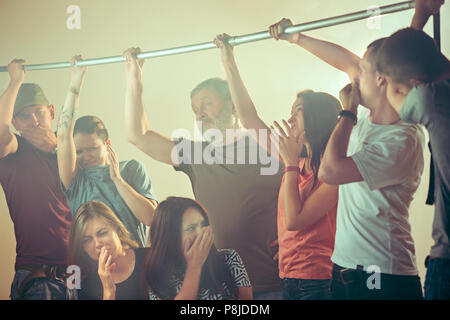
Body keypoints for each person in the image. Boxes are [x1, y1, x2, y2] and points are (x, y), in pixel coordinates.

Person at [268, 18, 425, 299]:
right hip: (344, 271)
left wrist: (347, 113)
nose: (353, 74)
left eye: (362, 69)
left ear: (381, 79)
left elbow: (331, 171)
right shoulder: (370, 110)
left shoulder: (400, 140)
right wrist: (297, 38)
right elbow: (348, 61)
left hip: (382, 277)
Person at [123, 48, 283, 299]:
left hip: (275, 285)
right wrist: (135, 76)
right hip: (222, 288)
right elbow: (138, 136)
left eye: (207, 103)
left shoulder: (266, 146)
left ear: (231, 105)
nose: (199, 114)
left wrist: (228, 61)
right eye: (194, 108)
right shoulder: (195, 154)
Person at [214, 34, 340, 300]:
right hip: (287, 277)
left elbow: (294, 221)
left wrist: (291, 164)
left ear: (317, 118)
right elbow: (249, 118)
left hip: (317, 282)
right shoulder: (294, 158)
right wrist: (228, 60)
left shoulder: (332, 172)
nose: (291, 117)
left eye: (299, 111)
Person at [375, 0, 449, 300]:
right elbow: (417, 57)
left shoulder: (430, 100)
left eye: (391, 85)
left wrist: (420, 15)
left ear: (415, 85)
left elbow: (399, 107)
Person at [57, 56, 158, 248]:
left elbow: (151, 218)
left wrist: (118, 181)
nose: (86, 156)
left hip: (135, 263)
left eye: (92, 148)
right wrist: (76, 80)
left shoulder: (132, 168)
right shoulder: (76, 180)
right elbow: (63, 134)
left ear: (107, 143)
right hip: (94, 266)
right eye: (79, 151)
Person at [0, 59, 72, 300]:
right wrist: (14, 82)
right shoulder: (13, 150)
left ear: (51, 112)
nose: (34, 120)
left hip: (80, 272)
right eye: (24, 116)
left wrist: (58, 148)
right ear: (15, 123)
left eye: (38, 112)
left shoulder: (69, 151)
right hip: (38, 275)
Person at [144, 196, 252, 300]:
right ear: (170, 237)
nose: (202, 233)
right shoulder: (157, 277)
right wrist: (194, 267)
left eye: (204, 224)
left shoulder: (229, 258)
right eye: (191, 228)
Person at [68, 200, 148, 300]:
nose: (97, 244)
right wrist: (108, 291)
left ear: (117, 229)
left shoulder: (149, 257)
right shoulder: (81, 283)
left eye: (102, 233)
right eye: (87, 240)